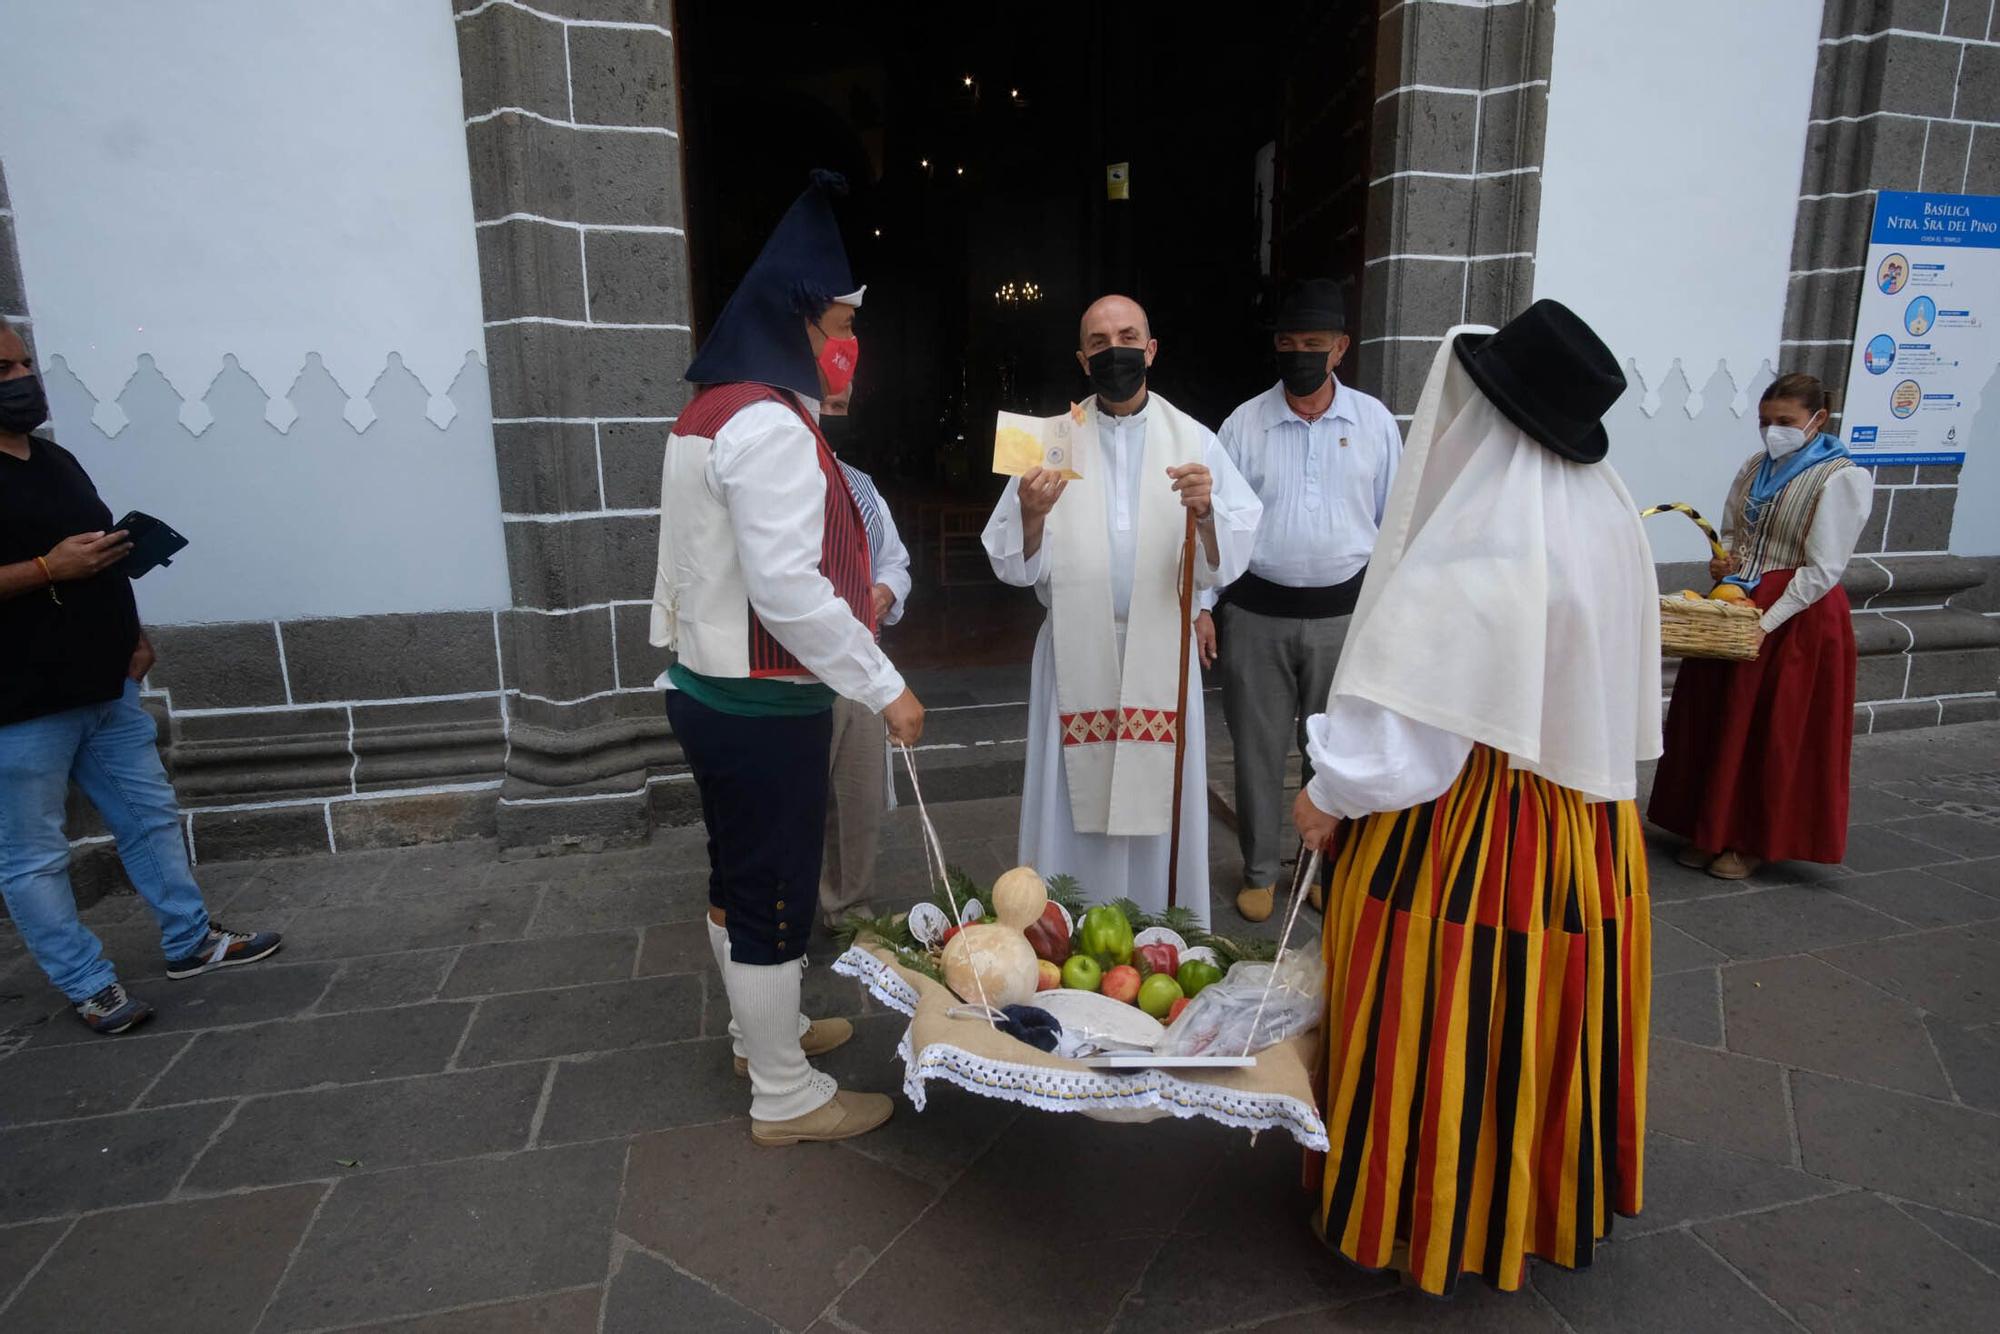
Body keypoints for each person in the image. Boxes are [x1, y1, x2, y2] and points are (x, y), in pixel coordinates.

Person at [1290, 301, 1658, 1295]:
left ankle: (1418, 1217)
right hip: (1578, 831)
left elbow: (1410, 735)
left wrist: (1324, 792)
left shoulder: (1477, 551)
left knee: (1436, 1002)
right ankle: (1522, 1202)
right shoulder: (1608, 524)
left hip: (1460, 838)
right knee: (1534, 1014)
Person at [651, 173, 924, 1146]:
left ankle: (755, 1029)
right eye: (841, 323)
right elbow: (788, 588)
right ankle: (783, 1091)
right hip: (760, 704)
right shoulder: (764, 424)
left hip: (717, 689)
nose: (850, 344)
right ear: (799, 320)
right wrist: (883, 682)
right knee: (768, 894)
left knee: (738, 880)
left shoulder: (719, 407)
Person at [0, 314, 281, 1035]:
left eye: (24, 364)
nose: (23, 381)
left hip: (104, 685)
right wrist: (44, 569)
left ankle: (191, 941)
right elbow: (58, 564)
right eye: (4, 372)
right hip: (20, 703)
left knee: (149, 819)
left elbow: (98, 555)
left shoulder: (53, 460)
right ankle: (88, 982)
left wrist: (133, 632)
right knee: (32, 856)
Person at [981, 295, 1261, 926]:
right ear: (1083, 359)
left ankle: (1162, 934)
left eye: (1128, 335)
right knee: (1070, 802)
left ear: (1151, 349)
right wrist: (1030, 514)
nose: (1116, 351)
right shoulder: (1051, 441)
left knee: (1159, 799)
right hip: (1076, 654)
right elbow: (1009, 560)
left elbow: (1234, 552)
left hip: (1164, 649)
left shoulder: (1195, 440)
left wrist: (1208, 512)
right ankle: (1066, 934)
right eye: (1100, 342)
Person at [1200, 278, 1401, 923]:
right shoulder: (1243, 424)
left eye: (1314, 344)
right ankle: (1259, 870)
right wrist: (1205, 604)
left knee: (1335, 753)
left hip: (1344, 619)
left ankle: (1322, 868)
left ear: (1340, 348)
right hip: (1256, 616)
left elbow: (1394, 524)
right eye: (1288, 344)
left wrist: (1393, 614)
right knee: (1256, 752)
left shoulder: (1373, 423)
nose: (1300, 356)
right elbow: (1213, 525)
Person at [1649, 373, 1870, 879]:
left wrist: (1765, 622)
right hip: (1739, 603)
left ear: (1818, 420)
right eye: (1765, 421)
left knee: (1770, 728)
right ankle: (1704, 826)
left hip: (1796, 614)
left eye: (1785, 422)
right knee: (1715, 716)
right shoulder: (1755, 466)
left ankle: (1749, 839)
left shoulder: (1842, 478)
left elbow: (1824, 569)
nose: (1773, 431)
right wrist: (1725, 564)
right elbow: (1734, 530)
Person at [815, 387, 912, 930]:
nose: (834, 417)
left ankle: (849, 907)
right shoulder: (776, 477)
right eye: (825, 405)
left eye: (841, 408)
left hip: (861, 668)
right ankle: (783, 914)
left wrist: (886, 591)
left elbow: (895, 560)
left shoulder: (863, 487)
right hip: (796, 669)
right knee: (799, 801)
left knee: (858, 797)